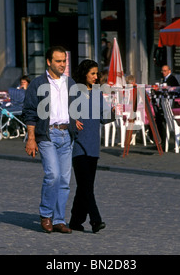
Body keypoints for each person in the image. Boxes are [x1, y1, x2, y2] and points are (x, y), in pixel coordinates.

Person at [23, 46, 78, 234]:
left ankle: (59, 220)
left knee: (64, 179)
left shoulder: (69, 82)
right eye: (58, 61)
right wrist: (31, 139)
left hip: (66, 135)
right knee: (52, 175)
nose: (62, 65)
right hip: (47, 134)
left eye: (64, 61)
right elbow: (29, 112)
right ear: (49, 62)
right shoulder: (38, 84)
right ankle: (46, 214)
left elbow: (74, 107)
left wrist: (75, 121)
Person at [69, 59, 114, 233]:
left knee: (84, 187)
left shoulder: (97, 93)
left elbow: (105, 118)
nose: (96, 77)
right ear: (84, 73)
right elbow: (63, 112)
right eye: (93, 73)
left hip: (93, 145)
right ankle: (96, 220)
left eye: (97, 73)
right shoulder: (74, 92)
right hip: (78, 145)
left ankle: (75, 220)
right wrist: (73, 120)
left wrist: (113, 110)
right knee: (86, 186)